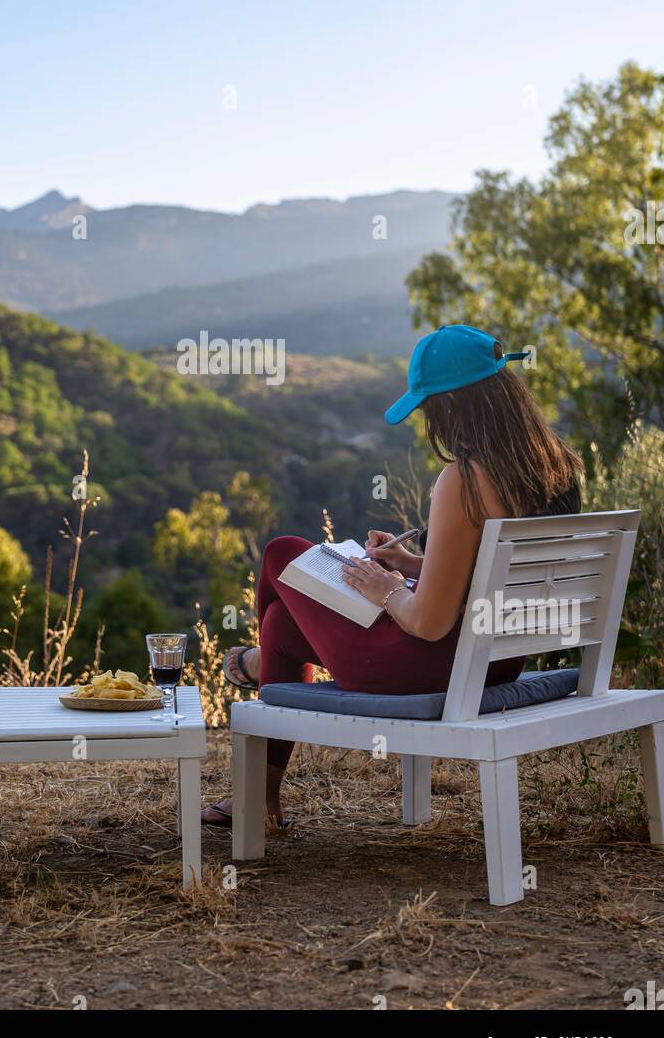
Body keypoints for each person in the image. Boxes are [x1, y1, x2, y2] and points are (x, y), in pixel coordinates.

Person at [202, 325, 582, 828]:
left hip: (427, 664)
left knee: (281, 554)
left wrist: (389, 590)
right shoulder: (554, 466)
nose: (431, 426)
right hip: (498, 661)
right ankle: (258, 793)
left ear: (453, 408)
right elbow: (487, 571)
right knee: (280, 626)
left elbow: (426, 623)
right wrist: (409, 566)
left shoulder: (465, 480)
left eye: (429, 411)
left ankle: (254, 678)